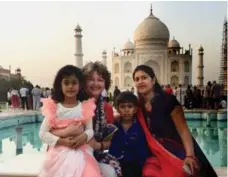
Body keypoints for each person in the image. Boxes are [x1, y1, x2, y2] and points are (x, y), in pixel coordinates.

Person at [132, 65, 217, 177]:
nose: (140, 81)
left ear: (153, 80)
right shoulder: (138, 106)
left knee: (180, 171)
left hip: (175, 148)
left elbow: (183, 130)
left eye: (144, 77)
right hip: (154, 153)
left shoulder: (169, 100)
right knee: (149, 172)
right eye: (137, 79)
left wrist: (190, 155)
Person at [51, 62, 121, 177]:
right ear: (83, 82)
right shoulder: (72, 103)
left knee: (112, 171)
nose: (95, 83)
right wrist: (66, 133)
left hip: (94, 154)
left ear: (105, 83)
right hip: (66, 152)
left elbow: (112, 141)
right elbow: (49, 131)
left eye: (100, 80)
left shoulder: (106, 108)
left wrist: (97, 145)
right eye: (90, 79)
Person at [39, 65, 101, 177]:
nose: (70, 86)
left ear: (80, 85)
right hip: (58, 151)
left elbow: (89, 130)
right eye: (66, 83)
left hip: (81, 149)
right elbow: (42, 133)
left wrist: (83, 137)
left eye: (74, 83)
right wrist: (63, 140)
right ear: (60, 85)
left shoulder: (85, 107)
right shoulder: (54, 108)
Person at [109, 91, 151, 177]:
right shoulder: (113, 127)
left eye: (130, 106)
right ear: (117, 109)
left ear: (135, 109)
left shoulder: (141, 128)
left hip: (136, 167)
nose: (126, 110)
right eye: (123, 107)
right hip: (117, 165)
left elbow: (143, 151)